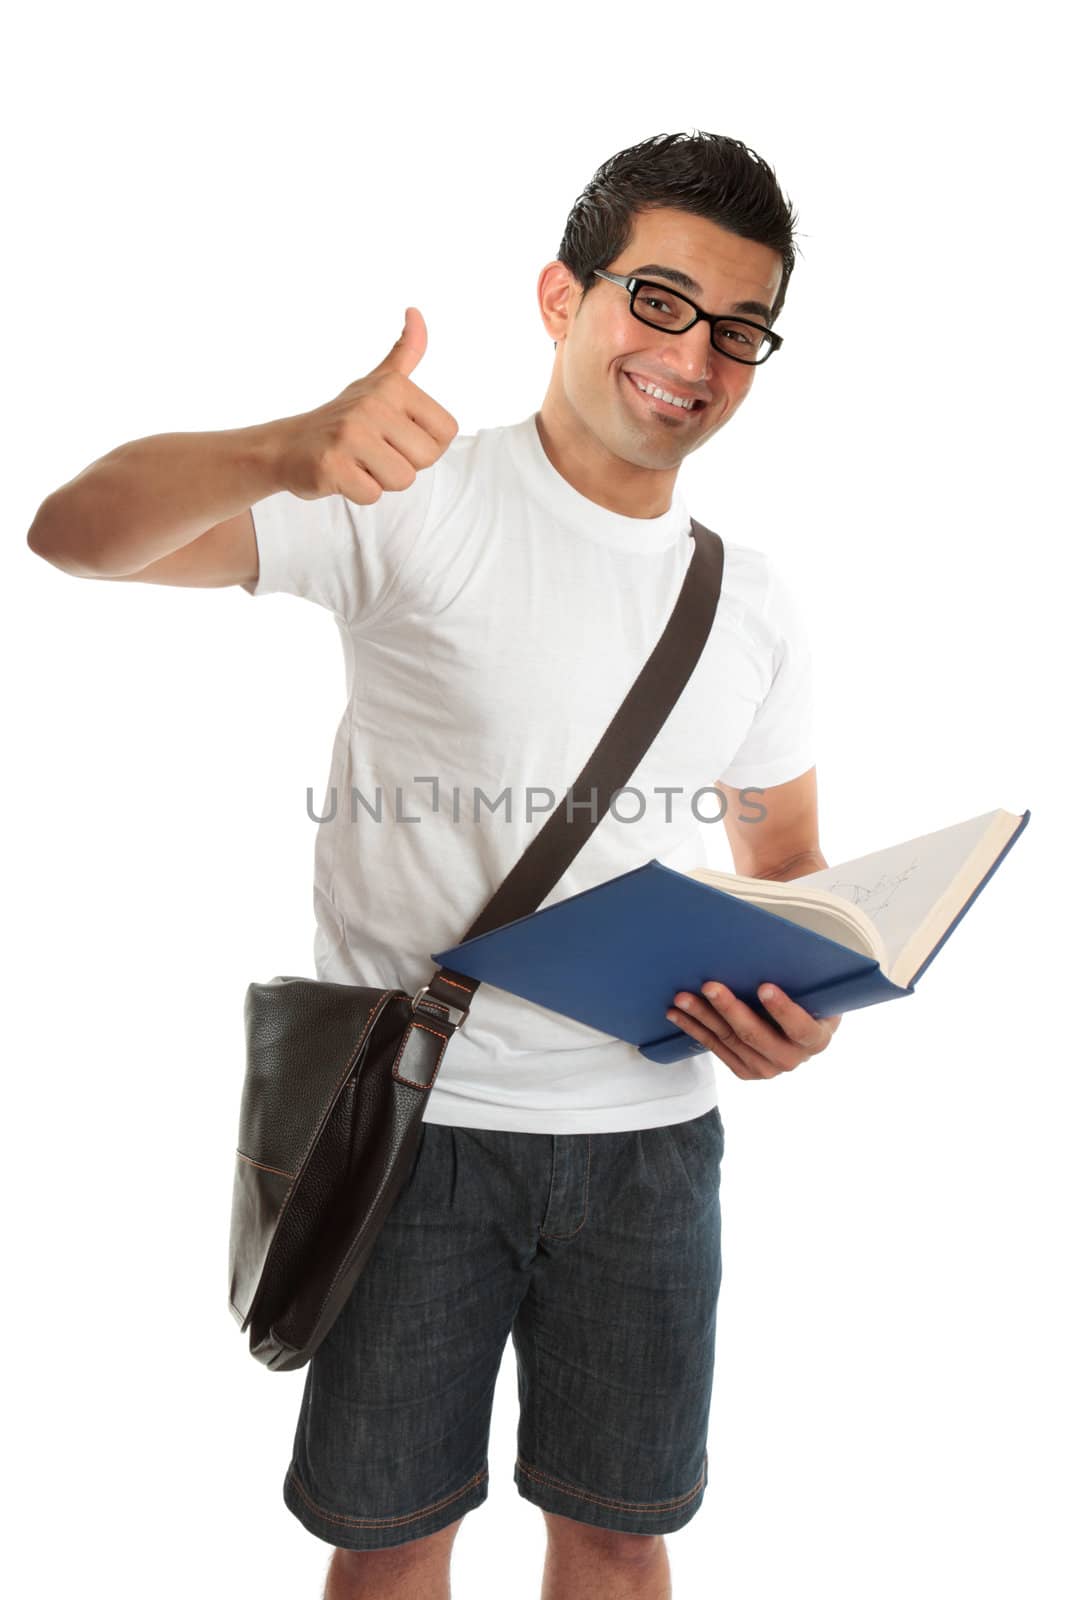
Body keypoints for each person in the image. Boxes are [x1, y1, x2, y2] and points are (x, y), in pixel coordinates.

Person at [27, 129, 842, 1600]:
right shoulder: (411, 495)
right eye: (657, 300)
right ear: (560, 296)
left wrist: (805, 1009)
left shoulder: (754, 601)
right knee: (392, 1535)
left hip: (650, 1148)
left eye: (736, 329)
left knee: (617, 1527)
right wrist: (282, 449)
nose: (693, 357)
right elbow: (73, 535)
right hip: (409, 1135)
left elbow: (782, 860)